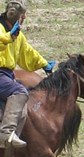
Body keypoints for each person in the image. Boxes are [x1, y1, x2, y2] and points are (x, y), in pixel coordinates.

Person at [0, 0, 55, 148]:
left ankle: (10, 144)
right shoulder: (2, 29)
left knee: (25, 103)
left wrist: (44, 64)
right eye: (23, 15)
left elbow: (28, 54)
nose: (24, 18)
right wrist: (8, 37)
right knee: (19, 91)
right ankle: (6, 134)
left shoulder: (17, 35)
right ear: (16, 15)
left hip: (6, 75)